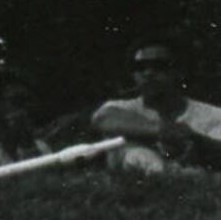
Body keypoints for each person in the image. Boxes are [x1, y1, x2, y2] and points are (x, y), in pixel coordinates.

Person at [93, 41, 221, 172]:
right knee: (137, 154)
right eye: (140, 67)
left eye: (159, 66)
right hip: (138, 189)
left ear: (180, 72)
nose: (148, 73)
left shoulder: (212, 115)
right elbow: (102, 119)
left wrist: (195, 140)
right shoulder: (120, 108)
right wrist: (162, 130)